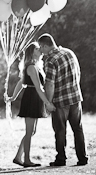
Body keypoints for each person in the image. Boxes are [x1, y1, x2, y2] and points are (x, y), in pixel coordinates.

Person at [37, 33, 88, 166]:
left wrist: (48, 103)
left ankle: (61, 158)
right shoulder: (69, 53)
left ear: (44, 45)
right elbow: (78, 73)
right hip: (75, 97)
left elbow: (50, 83)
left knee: (60, 130)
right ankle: (82, 158)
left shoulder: (51, 60)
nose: (40, 51)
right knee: (78, 128)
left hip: (60, 101)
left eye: (40, 48)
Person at [5, 42, 55, 167]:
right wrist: (47, 103)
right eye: (38, 49)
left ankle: (18, 157)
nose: (41, 51)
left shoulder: (36, 66)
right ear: (32, 52)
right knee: (29, 131)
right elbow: (37, 87)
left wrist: (13, 97)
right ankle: (26, 160)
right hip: (31, 98)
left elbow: (21, 82)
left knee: (31, 131)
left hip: (35, 98)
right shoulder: (31, 67)